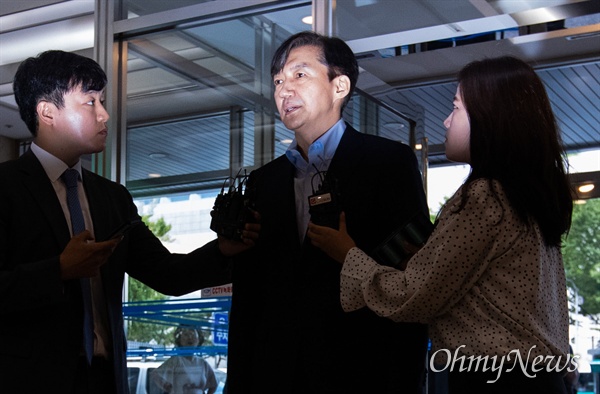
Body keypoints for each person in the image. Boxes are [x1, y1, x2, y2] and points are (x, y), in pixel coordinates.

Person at [307, 55, 574, 394]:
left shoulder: (484, 197)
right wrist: (427, 262)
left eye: (456, 107)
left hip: (495, 381)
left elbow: (415, 297)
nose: (447, 121)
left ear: (490, 119)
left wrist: (347, 254)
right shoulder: (528, 198)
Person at [0, 50, 257, 394]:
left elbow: (166, 273)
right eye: (90, 101)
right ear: (47, 112)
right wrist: (58, 269)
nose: (104, 114)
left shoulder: (111, 197)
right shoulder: (5, 187)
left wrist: (224, 251)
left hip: (105, 380)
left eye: (102, 100)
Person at [223, 31, 430, 393]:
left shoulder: (389, 163)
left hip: (362, 372)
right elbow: (250, 300)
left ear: (340, 86)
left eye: (300, 75)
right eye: (278, 81)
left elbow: (412, 277)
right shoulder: (263, 181)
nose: (284, 90)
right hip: (276, 376)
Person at [152, 326, 218, 394]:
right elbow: (155, 375)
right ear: (180, 340)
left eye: (193, 334)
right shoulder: (176, 360)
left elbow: (213, 384)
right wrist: (169, 388)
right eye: (186, 335)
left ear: (198, 340)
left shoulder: (202, 363)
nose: (190, 337)